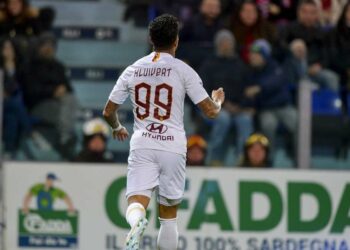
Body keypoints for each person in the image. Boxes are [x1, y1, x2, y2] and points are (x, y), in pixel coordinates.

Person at [103, 14, 225, 250]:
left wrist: (117, 127)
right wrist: (218, 101)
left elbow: (108, 111)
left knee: (136, 201)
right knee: (169, 216)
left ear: (151, 39)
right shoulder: (183, 70)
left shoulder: (133, 69)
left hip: (143, 143)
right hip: (173, 146)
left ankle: (137, 222)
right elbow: (210, 111)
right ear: (176, 41)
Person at [200, 29, 253, 165]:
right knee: (223, 118)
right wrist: (222, 104)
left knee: (245, 120)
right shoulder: (209, 64)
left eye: (228, 42)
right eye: (223, 42)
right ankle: (215, 158)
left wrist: (241, 106)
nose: (226, 45)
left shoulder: (240, 65)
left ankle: (243, 159)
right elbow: (202, 89)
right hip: (213, 106)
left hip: (237, 108)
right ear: (217, 44)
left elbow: (247, 89)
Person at [21, 33, 78, 159]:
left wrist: (63, 89)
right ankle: (66, 139)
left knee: (71, 100)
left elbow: (69, 88)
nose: (48, 48)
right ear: (39, 47)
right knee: (64, 111)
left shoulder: (59, 67)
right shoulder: (30, 67)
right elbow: (30, 91)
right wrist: (52, 91)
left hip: (59, 104)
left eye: (51, 45)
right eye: (45, 45)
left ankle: (66, 139)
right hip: (38, 106)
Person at [245, 39, 297, 161]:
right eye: (252, 55)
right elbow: (247, 93)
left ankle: (298, 156)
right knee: (268, 126)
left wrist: (260, 88)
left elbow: (277, 82)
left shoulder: (274, 66)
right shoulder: (250, 71)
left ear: (264, 56)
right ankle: (269, 160)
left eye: (256, 55)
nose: (253, 57)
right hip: (266, 109)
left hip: (283, 106)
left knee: (297, 122)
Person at [1, 38, 31, 157]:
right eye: (5, 48)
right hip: (3, 103)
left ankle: (9, 152)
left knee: (12, 118)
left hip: (15, 104)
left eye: (10, 48)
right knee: (15, 105)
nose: (8, 51)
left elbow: (27, 87)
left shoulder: (22, 67)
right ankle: (29, 131)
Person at [326, 2, 350, 91]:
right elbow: (333, 56)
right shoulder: (335, 33)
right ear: (345, 13)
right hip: (340, 69)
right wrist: (347, 68)